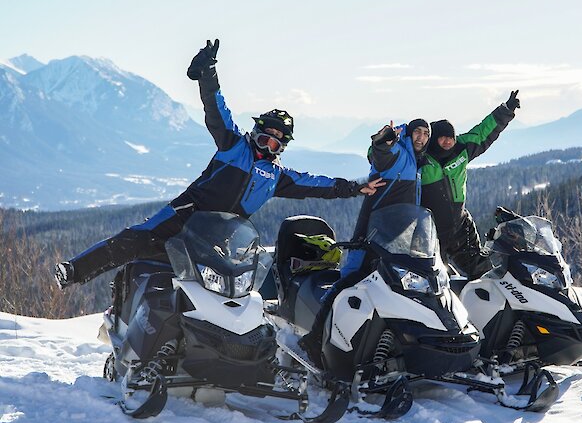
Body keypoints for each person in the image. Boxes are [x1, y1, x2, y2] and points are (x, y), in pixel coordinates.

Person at [54, 39, 383, 290]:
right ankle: (74, 271)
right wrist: (207, 73)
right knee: (138, 238)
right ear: (253, 133)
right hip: (187, 211)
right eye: (264, 137)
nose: (267, 146)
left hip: (224, 234)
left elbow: (318, 184)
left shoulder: (277, 176)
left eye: (276, 143)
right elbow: (217, 109)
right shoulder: (233, 146)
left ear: (282, 147)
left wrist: (355, 187)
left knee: (216, 282)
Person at [299, 118, 430, 366]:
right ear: (408, 135)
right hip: (372, 232)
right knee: (351, 279)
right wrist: (384, 140)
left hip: (396, 239)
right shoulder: (399, 155)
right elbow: (381, 153)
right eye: (417, 132)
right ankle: (314, 337)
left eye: (425, 133)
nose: (421, 137)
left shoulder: (416, 162)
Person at [421, 90, 520, 280]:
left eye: (451, 137)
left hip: (460, 225)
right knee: (435, 280)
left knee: (482, 272)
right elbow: (392, 157)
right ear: (434, 138)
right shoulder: (421, 156)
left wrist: (506, 110)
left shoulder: (463, 148)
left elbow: (484, 131)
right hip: (431, 231)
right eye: (443, 137)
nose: (448, 141)